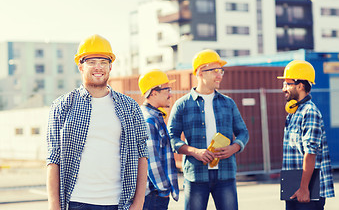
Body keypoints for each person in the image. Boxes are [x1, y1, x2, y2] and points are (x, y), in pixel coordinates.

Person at [46, 34, 149, 210]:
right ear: (80, 66)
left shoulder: (130, 107)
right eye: (91, 62)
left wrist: (138, 203)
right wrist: (54, 206)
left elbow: (142, 154)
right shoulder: (62, 106)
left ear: (110, 66)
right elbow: (53, 159)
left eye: (103, 62)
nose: (98, 67)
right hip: (76, 201)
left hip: (118, 202)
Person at [168, 49, 249, 210]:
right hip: (196, 176)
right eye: (215, 71)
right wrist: (194, 151)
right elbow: (171, 137)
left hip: (226, 174)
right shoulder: (182, 105)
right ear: (200, 72)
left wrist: (234, 147)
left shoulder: (229, 103)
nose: (220, 75)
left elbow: (243, 132)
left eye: (221, 71)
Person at [277, 60, 335, 210]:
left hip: (307, 189)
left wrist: (304, 188)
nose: (283, 88)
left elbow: (310, 153)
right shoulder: (293, 112)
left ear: (300, 85)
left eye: (287, 83)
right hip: (292, 186)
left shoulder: (309, 112)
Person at [138, 69, 179, 210]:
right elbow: (151, 160)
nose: (170, 94)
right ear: (154, 93)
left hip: (154, 193)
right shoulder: (148, 120)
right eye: (167, 89)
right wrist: (164, 190)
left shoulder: (154, 116)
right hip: (153, 194)